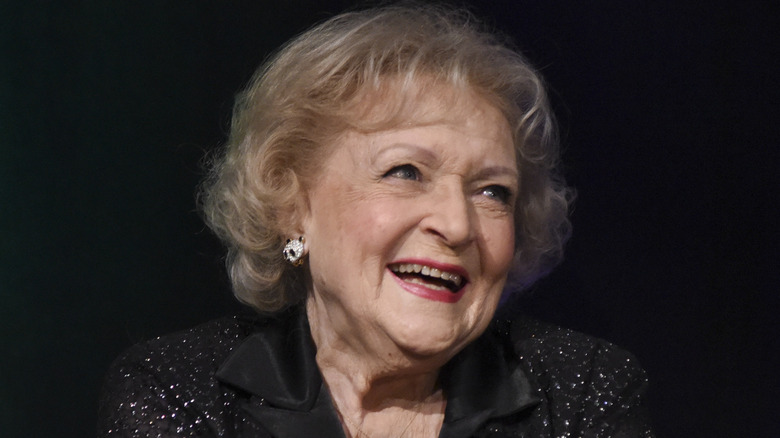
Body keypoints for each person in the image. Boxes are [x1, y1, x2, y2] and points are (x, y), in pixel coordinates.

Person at [98, 5, 654, 437]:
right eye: (406, 171)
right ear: (292, 205)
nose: (458, 226)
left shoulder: (582, 391)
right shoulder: (179, 390)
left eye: (492, 191)